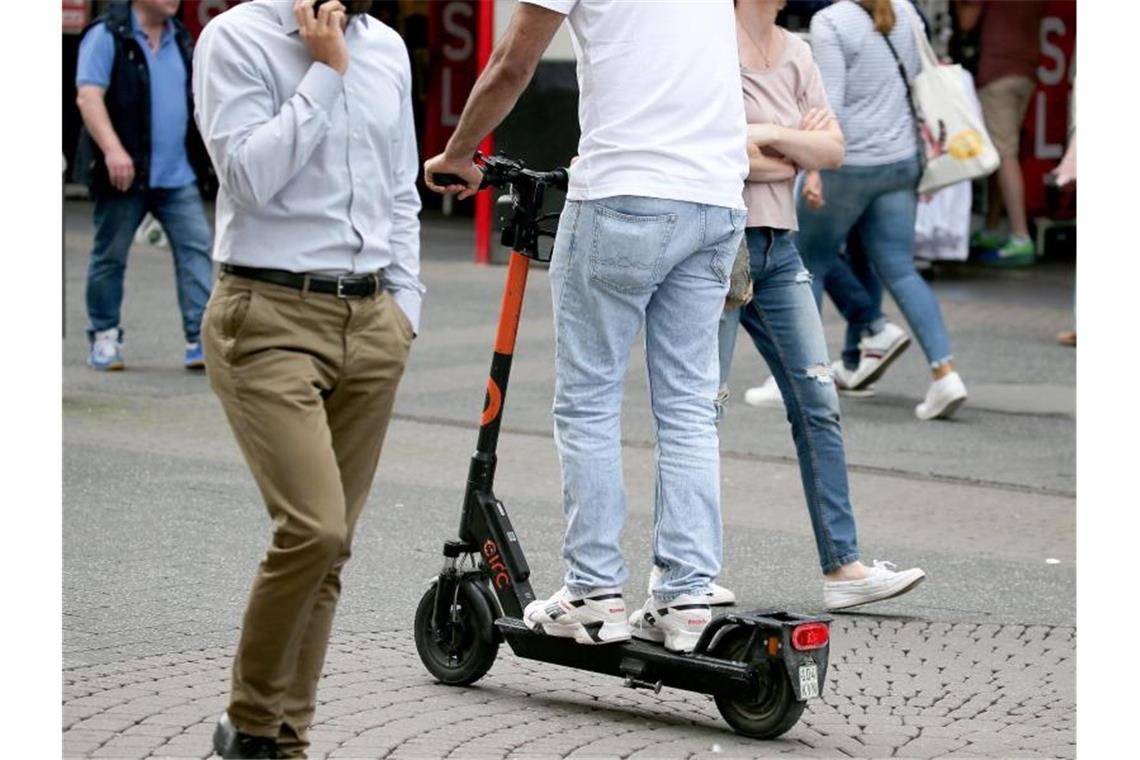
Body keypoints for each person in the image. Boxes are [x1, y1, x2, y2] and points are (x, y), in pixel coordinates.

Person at [425, 0, 748, 654]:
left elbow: (512, 64)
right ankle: (688, 595)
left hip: (626, 191)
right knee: (688, 406)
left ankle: (594, 592)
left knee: (589, 399)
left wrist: (459, 153)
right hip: (716, 197)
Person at [193, 1, 423, 756]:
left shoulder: (385, 46)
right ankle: (249, 724)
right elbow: (249, 179)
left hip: (370, 320)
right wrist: (324, 74)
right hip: (267, 317)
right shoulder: (235, 39)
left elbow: (400, 190)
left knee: (334, 547)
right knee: (313, 528)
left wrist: (405, 310)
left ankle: (287, 739)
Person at [717, 0, 925, 611]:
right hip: (719, 245)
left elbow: (834, 151)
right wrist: (794, 149)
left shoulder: (799, 50)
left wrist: (773, 139)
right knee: (700, 410)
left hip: (780, 251)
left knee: (819, 403)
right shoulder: (708, 47)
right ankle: (679, 570)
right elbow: (717, 150)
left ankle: (844, 569)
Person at [796, 0, 969, 421]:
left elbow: (829, 105)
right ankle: (945, 374)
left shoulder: (831, 22)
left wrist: (813, 170)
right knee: (900, 268)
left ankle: (804, 382)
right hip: (901, 161)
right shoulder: (907, 12)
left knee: (808, 263)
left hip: (850, 165)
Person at [73, 0, 215, 371]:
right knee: (110, 256)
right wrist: (113, 151)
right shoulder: (107, 34)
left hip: (177, 173)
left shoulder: (181, 38)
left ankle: (199, 339)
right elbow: (88, 96)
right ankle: (104, 336)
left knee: (195, 248)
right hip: (125, 174)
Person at [957, 0, 1047, 267]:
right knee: (1003, 150)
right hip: (1027, 69)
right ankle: (992, 226)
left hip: (997, 72)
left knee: (1005, 154)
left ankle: (1020, 236)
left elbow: (966, 21)